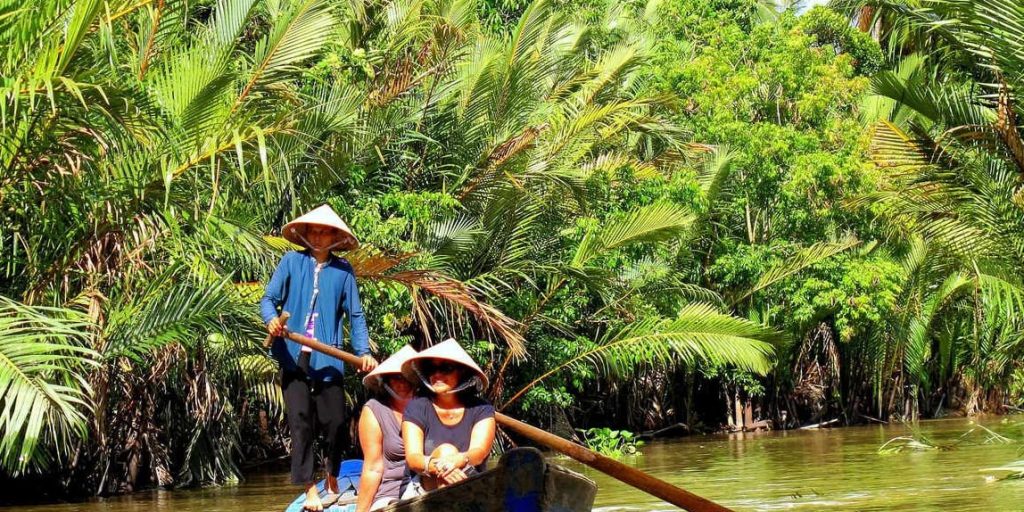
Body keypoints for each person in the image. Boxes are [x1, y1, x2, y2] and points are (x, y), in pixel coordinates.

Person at [260, 204, 378, 512]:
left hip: (328, 359)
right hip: (292, 355)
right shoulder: (290, 262)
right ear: (306, 233)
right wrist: (271, 320)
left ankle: (332, 474)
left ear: (335, 237)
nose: (319, 236)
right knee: (300, 422)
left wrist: (363, 352)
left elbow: (355, 314)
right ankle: (310, 488)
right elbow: (268, 300)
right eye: (314, 230)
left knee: (336, 421)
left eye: (325, 231)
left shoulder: (343, 271)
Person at [400, 339, 496, 494]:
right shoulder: (417, 407)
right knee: (445, 452)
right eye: (432, 369)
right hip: (423, 488)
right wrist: (442, 466)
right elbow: (413, 458)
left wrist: (459, 460)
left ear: (462, 372)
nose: (437, 374)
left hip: (469, 484)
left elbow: (479, 452)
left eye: (446, 368)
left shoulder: (481, 409)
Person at [355, 345, 418, 512]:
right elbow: (373, 468)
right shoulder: (375, 410)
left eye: (408, 377)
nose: (403, 382)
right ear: (387, 380)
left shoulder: (428, 405)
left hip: (426, 485)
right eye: (396, 377)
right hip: (391, 492)